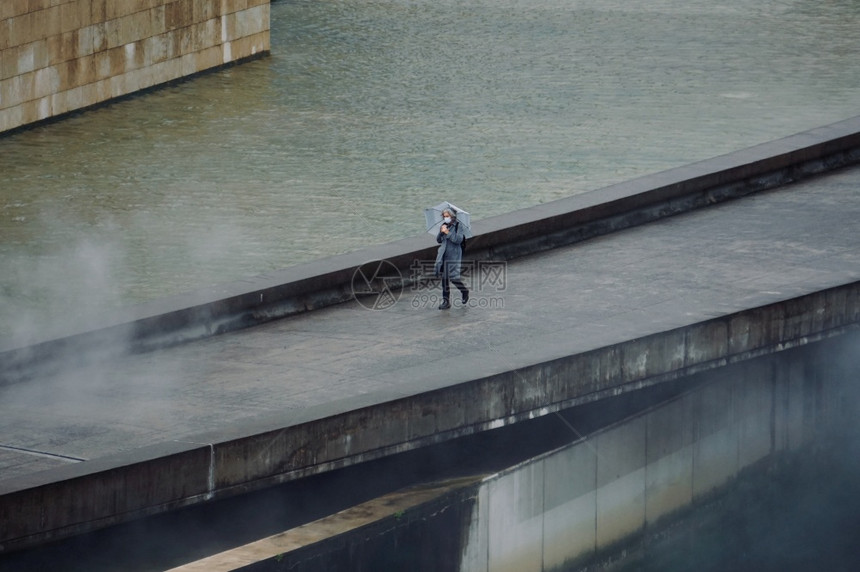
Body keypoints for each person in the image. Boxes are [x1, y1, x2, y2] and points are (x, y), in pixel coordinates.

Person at [434, 208, 469, 309]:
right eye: (444, 216)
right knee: (444, 278)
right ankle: (446, 301)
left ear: (452, 216)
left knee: (453, 278)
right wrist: (441, 232)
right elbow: (438, 240)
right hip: (443, 255)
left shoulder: (458, 226)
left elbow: (458, 239)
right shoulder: (444, 225)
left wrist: (447, 232)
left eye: (447, 216)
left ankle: (464, 291)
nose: (446, 218)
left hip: (454, 255)